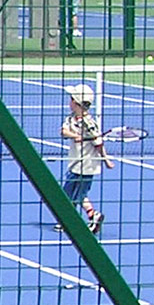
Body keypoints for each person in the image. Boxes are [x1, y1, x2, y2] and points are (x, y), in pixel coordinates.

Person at [60, 82, 110, 234]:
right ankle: (90, 216)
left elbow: (98, 143)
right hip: (74, 163)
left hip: (87, 165)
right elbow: (63, 131)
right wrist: (76, 135)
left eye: (71, 99)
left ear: (76, 103)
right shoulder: (71, 119)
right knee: (69, 193)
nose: (69, 102)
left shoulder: (90, 124)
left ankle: (72, 221)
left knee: (77, 195)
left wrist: (106, 160)